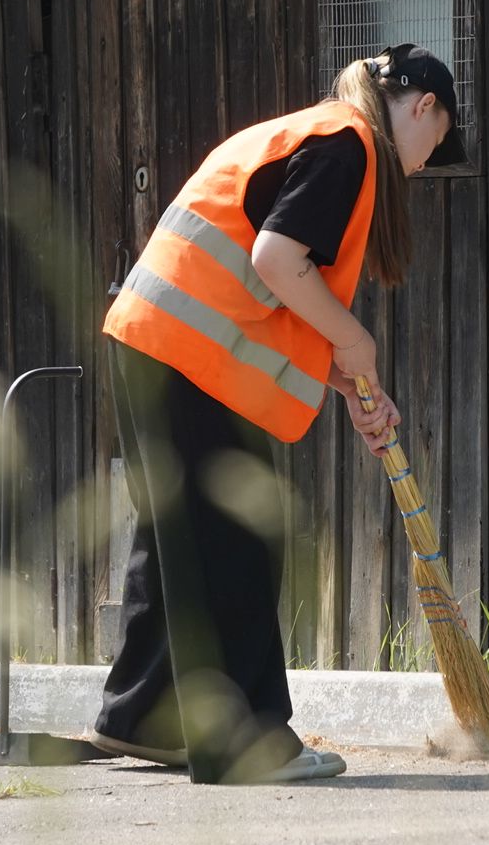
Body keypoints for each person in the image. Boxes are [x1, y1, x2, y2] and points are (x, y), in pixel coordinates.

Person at [93, 44, 465, 784]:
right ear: (423, 107)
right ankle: (242, 742)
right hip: (182, 357)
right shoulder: (350, 142)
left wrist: (346, 376)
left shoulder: (317, 133)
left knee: (179, 541)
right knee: (235, 541)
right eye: (438, 143)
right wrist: (354, 337)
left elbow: (263, 292)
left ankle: (143, 719)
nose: (426, 165)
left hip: (155, 342)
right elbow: (275, 258)